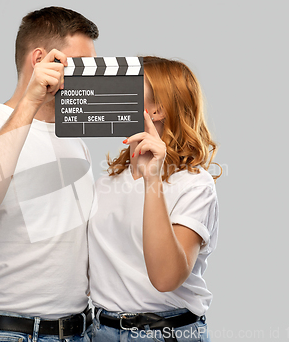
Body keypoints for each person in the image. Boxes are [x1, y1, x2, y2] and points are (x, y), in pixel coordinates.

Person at [0, 6, 98, 342]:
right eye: (82, 66)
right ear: (41, 60)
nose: (91, 77)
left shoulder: (76, 142)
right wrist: (29, 102)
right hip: (11, 333)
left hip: (80, 330)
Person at [88, 56, 220, 342]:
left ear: (157, 108)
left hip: (165, 334)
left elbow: (165, 278)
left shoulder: (195, 185)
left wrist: (152, 180)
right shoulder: (103, 184)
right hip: (98, 332)